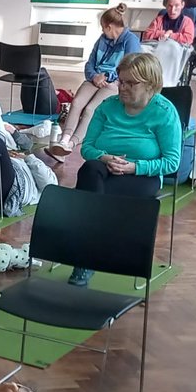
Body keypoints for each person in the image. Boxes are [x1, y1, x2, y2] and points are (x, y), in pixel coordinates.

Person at [72, 51, 181, 286]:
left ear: (151, 84)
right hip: (104, 169)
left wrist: (135, 166)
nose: (122, 87)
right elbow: (87, 148)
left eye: (131, 83)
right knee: (89, 170)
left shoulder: (164, 111)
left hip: (142, 175)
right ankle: (90, 253)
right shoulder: (107, 106)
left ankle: (84, 254)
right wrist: (105, 157)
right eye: (121, 81)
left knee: (93, 197)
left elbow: (172, 162)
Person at [47, 3, 142, 158]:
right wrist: (94, 76)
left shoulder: (130, 41)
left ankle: (71, 144)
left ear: (110, 26)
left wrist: (108, 77)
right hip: (95, 79)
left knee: (91, 109)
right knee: (77, 103)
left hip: (114, 83)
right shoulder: (102, 39)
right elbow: (90, 62)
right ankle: (64, 140)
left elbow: (130, 68)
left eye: (103, 27)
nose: (102, 31)